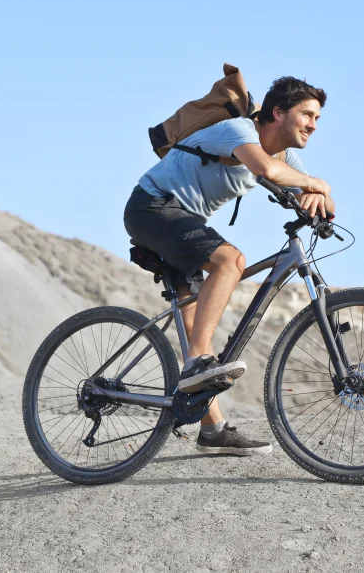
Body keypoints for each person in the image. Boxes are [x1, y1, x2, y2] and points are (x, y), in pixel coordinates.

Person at [124, 76, 334, 456]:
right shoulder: (238, 130)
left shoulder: (287, 158)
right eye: (307, 114)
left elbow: (317, 196)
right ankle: (199, 364)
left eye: (317, 118)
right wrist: (313, 184)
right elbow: (265, 171)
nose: (313, 125)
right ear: (277, 112)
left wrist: (323, 194)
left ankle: (212, 429)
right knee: (230, 261)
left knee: (191, 322)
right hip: (152, 207)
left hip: (185, 220)